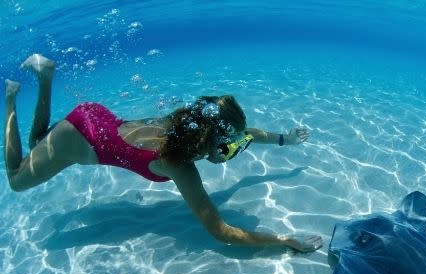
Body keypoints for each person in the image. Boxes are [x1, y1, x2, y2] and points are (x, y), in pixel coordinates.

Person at [4, 54, 322, 253]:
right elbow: (222, 232)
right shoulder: (179, 165)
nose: (227, 154)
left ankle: (46, 76)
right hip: (81, 139)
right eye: (225, 148)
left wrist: (285, 140)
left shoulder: (186, 125)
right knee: (17, 179)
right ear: (209, 140)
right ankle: (9, 99)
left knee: (37, 141)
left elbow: (248, 133)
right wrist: (287, 241)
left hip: (94, 116)